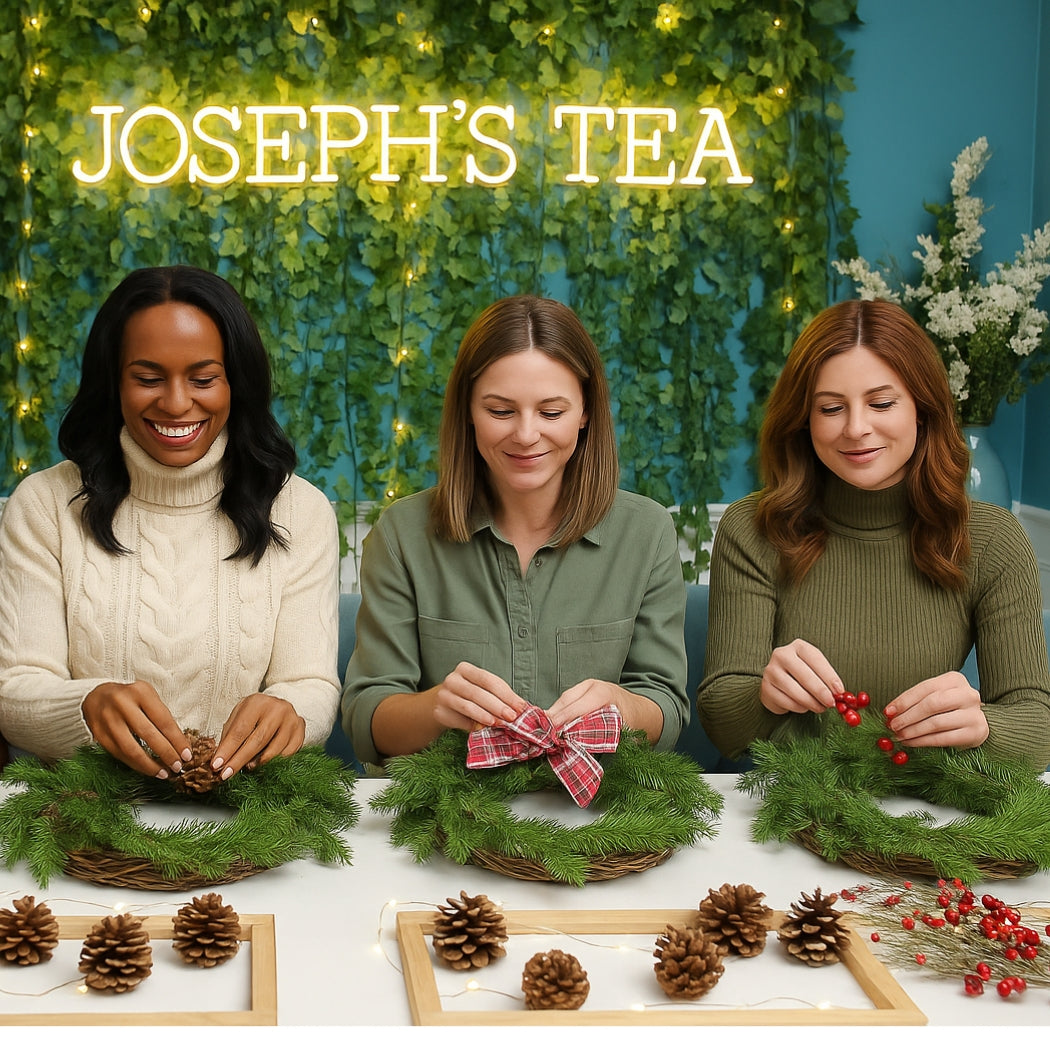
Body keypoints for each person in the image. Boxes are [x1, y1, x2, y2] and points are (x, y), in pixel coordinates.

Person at [0, 266, 340, 781]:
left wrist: (291, 712)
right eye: (148, 379)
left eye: (203, 379)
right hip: (84, 821)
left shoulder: (300, 511)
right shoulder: (44, 505)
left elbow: (310, 682)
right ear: (113, 382)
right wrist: (86, 705)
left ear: (237, 383)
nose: (177, 403)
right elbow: (16, 688)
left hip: (245, 821)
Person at [697, 298, 1050, 772]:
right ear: (804, 419)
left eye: (881, 403)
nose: (857, 429)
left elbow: (1038, 723)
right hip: (785, 809)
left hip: (933, 812)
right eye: (830, 408)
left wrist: (985, 727)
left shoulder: (992, 540)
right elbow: (723, 724)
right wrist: (765, 694)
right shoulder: (753, 529)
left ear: (922, 410)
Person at [342, 294, 689, 764]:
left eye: (551, 413)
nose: (526, 435)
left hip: (595, 819)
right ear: (467, 410)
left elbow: (666, 708)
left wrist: (625, 707)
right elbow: (367, 721)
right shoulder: (402, 534)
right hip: (448, 821)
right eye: (501, 411)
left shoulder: (646, 533)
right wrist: (436, 709)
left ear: (585, 412)